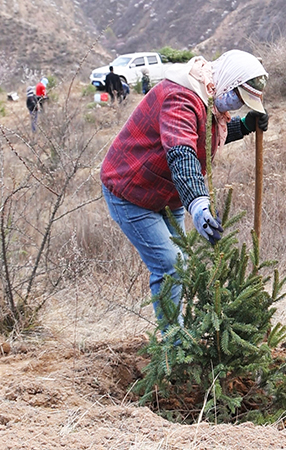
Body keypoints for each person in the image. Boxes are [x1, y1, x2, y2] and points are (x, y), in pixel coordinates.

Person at [100, 50, 270, 323]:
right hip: (131, 191)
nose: (237, 105)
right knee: (170, 265)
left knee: (184, 262)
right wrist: (199, 204)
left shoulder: (208, 96)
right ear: (227, 81)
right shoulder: (182, 97)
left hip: (167, 194)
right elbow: (182, 153)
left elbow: (202, 138)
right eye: (237, 97)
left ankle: (182, 331)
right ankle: (174, 348)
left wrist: (244, 126)